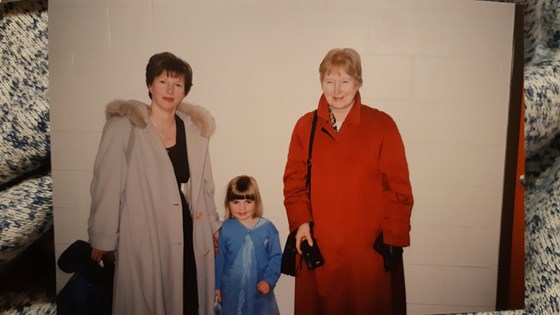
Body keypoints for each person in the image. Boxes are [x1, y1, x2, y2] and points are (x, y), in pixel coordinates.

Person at [87, 51, 222, 315]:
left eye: (178, 84)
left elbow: (205, 185)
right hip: (143, 229)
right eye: (163, 81)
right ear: (150, 85)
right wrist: (102, 238)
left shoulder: (193, 130)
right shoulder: (125, 127)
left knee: (187, 299)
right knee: (148, 300)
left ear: (185, 90)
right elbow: (106, 185)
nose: (170, 90)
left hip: (185, 230)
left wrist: (214, 227)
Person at [283, 48, 414, 315]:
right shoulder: (305, 126)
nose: (337, 89)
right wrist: (300, 224)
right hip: (320, 246)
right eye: (330, 81)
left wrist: (393, 238)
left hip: (369, 252)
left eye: (345, 81)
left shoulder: (382, 125)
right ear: (321, 82)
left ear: (358, 82)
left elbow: (399, 189)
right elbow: (294, 183)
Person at [215, 175, 282, 315]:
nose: (242, 207)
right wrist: (217, 286)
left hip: (259, 291)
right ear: (228, 203)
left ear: (256, 202)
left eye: (248, 201)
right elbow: (219, 259)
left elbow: (276, 258)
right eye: (236, 202)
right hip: (230, 291)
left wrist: (269, 280)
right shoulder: (226, 228)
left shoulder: (268, 229)